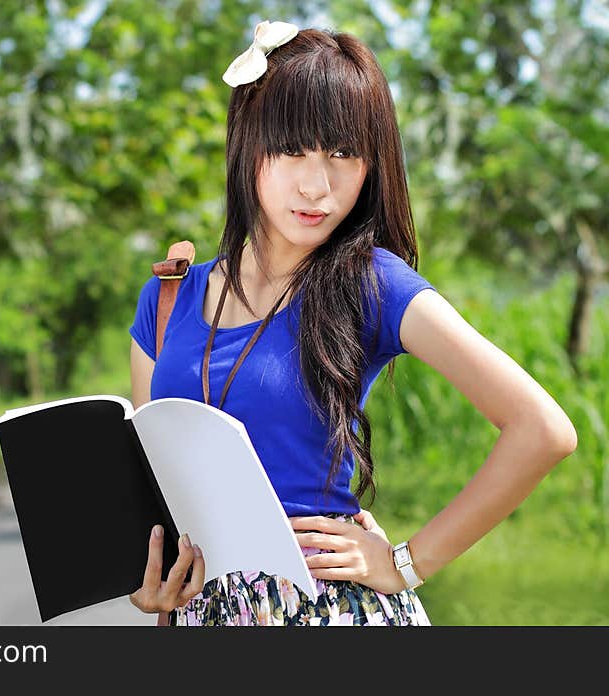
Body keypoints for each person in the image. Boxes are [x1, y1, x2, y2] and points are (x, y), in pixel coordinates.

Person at [125, 20, 578, 626]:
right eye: (292, 151)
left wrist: (406, 563)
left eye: (343, 154)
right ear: (245, 146)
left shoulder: (372, 283)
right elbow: (156, 498)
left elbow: (542, 429)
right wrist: (152, 589)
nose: (317, 186)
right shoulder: (167, 297)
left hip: (326, 610)